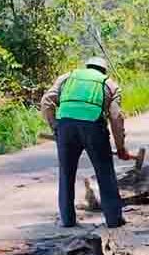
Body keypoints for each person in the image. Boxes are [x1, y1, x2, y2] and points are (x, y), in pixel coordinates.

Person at [41, 56, 133, 228]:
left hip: (66, 127)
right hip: (94, 128)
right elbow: (115, 117)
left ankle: (67, 220)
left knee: (66, 174)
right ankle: (114, 219)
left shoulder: (67, 77)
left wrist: (56, 127)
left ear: (86, 66)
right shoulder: (109, 84)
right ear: (104, 70)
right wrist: (121, 148)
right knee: (105, 173)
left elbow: (46, 102)